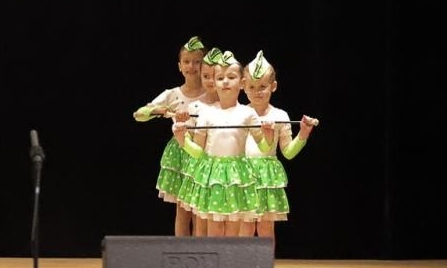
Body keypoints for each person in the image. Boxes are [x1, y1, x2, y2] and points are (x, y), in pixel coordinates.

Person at [172, 50, 270, 236]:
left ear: (242, 83)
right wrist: (182, 140)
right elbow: (199, 152)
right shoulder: (206, 113)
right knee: (214, 227)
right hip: (213, 176)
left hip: (236, 175)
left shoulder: (248, 114)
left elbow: (264, 147)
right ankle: (213, 262)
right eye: (220, 78)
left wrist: (269, 135)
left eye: (231, 77)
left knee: (233, 227)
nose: (225, 81)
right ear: (214, 82)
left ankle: (230, 263)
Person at [240, 50, 317, 239]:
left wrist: (303, 134)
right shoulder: (238, 113)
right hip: (242, 174)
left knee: (266, 229)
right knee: (245, 228)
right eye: (252, 86)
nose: (257, 91)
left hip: (268, 177)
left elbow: (288, 153)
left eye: (263, 86)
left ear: (273, 86)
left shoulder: (280, 116)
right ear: (243, 86)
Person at [134, 36, 207, 236]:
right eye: (186, 62)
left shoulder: (212, 94)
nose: (192, 66)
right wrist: (161, 110)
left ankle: (202, 253)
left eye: (197, 61)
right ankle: (182, 253)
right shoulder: (172, 94)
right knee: (183, 209)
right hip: (182, 153)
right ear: (179, 66)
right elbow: (139, 115)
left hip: (204, 152)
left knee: (200, 210)